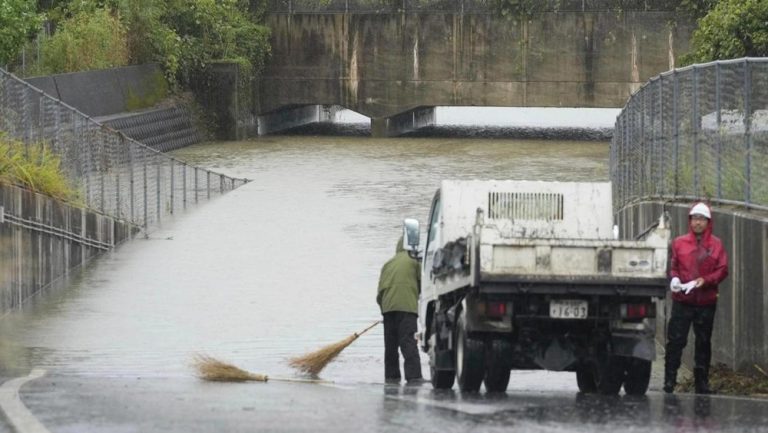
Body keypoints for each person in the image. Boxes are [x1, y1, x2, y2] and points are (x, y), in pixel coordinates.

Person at [664, 202, 728, 394]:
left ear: (708, 222)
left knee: (703, 341)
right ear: (689, 220)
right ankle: (669, 380)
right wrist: (674, 278)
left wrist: (705, 281)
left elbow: (723, 269)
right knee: (676, 340)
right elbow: (673, 265)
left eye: (702, 219)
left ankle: (702, 382)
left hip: (706, 301)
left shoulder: (716, 244)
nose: (698, 223)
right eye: (695, 219)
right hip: (682, 300)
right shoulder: (679, 243)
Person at [376, 236, 424, 385]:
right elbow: (423, 283)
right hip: (407, 308)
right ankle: (414, 377)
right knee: (408, 342)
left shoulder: (387, 265)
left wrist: (385, 310)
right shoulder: (415, 261)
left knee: (390, 346)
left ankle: (391, 378)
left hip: (388, 308)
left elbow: (379, 294)